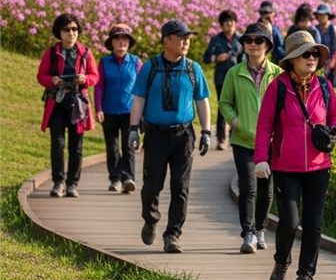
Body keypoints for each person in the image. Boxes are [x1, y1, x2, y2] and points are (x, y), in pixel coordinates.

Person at [254, 31, 336, 280]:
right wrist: (261, 159)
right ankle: (282, 261)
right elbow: (264, 126)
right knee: (289, 222)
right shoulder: (278, 87)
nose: (312, 58)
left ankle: (305, 277)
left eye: (315, 53)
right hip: (285, 167)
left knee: (314, 223)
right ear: (292, 59)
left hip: (319, 166)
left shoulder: (325, 87)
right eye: (306, 53)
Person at [129, 20, 212, 253]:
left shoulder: (193, 69)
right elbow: (138, 99)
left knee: (180, 186)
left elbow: (202, 100)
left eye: (188, 38)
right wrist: (134, 129)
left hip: (183, 136)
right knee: (151, 185)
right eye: (181, 37)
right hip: (155, 135)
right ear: (166, 41)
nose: (186, 42)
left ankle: (172, 234)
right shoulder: (150, 67)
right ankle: (151, 218)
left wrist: (206, 131)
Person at [219, 22, 284, 254]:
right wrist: (235, 121)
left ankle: (260, 229)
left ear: (267, 45)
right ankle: (247, 233)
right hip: (243, 141)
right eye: (249, 40)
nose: (253, 44)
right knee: (248, 187)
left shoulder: (278, 74)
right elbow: (225, 102)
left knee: (267, 190)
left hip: (270, 142)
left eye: (259, 40)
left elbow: (285, 106)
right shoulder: (234, 73)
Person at [37, 13, 99, 198]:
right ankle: (58, 182)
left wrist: (84, 78)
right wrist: (52, 80)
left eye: (74, 29)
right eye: (67, 29)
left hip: (77, 104)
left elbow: (95, 76)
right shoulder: (51, 53)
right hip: (57, 103)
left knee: (76, 146)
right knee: (57, 144)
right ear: (59, 32)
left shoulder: (86, 53)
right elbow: (41, 76)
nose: (71, 33)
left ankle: (72, 184)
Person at [95, 23, 142, 193]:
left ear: (129, 43)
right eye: (118, 39)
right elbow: (99, 86)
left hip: (131, 112)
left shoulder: (136, 62)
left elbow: (142, 88)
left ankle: (128, 178)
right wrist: (98, 108)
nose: (121, 42)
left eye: (125, 39)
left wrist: (142, 111)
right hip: (109, 111)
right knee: (112, 146)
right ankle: (115, 179)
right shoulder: (104, 62)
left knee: (128, 146)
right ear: (111, 42)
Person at [203, 10, 243, 151]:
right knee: (223, 107)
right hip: (221, 78)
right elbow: (206, 58)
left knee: (238, 106)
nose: (229, 25)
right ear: (221, 25)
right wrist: (216, 58)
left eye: (231, 22)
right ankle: (221, 138)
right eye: (226, 23)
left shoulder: (241, 39)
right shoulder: (216, 39)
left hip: (238, 77)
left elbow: (245, 58)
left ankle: (234, 136)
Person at [313, 4, 336, 80]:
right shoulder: (314, 29)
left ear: (328, 16)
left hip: (331, 62)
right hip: (317, 62)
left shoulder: (333, 28)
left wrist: (332, 63)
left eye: (324, 15)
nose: (321, 17)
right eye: (320, 15)